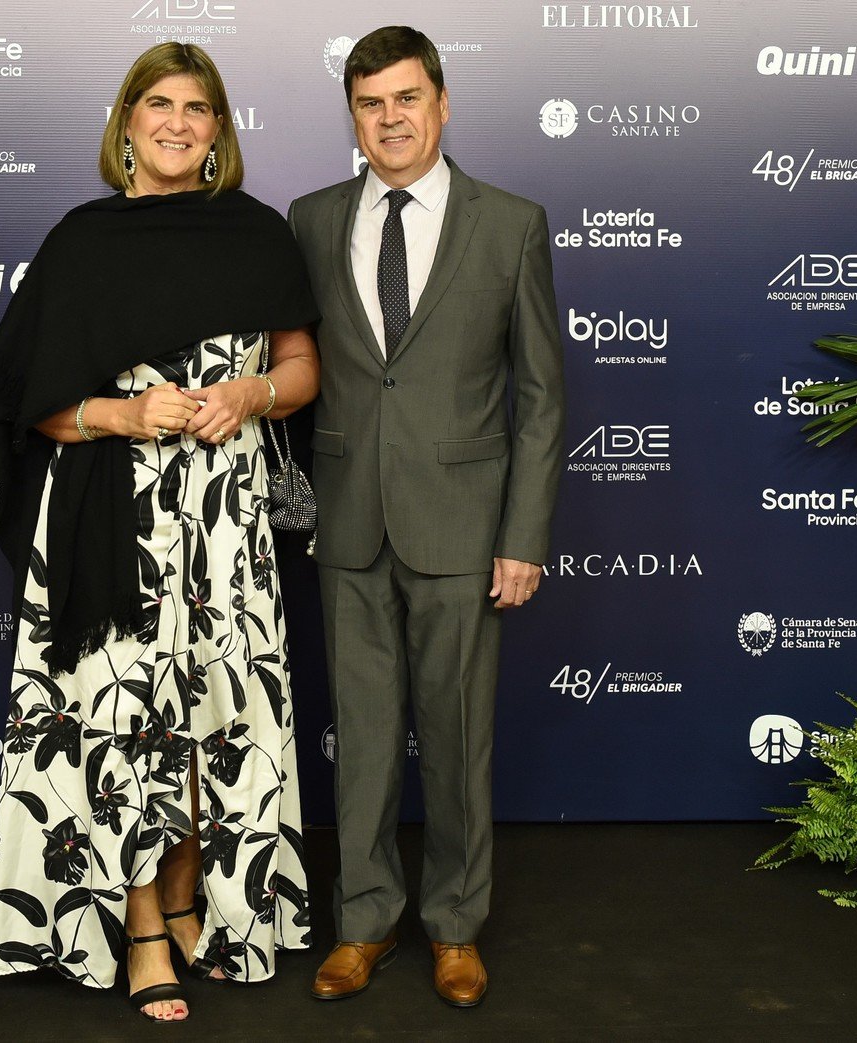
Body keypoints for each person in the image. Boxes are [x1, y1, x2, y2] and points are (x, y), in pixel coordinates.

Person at [0, 42, 320, 1025]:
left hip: (226, 515)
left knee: (214, 718)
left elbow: (301, 366)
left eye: (197, 108)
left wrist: (251, 391)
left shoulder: (257, 234)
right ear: (125, 121)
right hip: (109, 514)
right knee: (129, 722)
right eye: (158, 103)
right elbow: (26, 406)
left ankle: (194, 898)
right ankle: (138, 929)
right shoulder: (80, 241)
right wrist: (119, 416)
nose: (176, 122)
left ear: (218, 130)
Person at [288, 26, 565, 1008]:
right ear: (352, 116)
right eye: (370, 103)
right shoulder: (311, 219)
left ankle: (454, 925)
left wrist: (523, 533)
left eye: (406, 98)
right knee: (361, 735)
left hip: (461, 522)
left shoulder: (510, 222)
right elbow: (302, 369)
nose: (389, 118)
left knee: (454, 737)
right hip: (348, 521)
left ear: (440, 104)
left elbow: (538, 394)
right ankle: (362, 920)